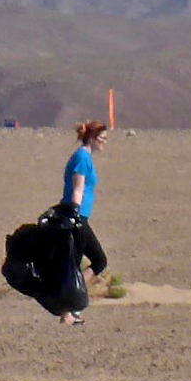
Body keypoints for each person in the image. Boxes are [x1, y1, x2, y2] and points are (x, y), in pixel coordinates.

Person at [57, 119, 109, 325]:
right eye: (103, 139)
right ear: (93, 138)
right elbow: (77, 188)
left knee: (79, 264)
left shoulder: (85, 157)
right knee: (97, 261)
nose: (105, 143)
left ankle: (68, 309)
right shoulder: (82, 158)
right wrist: (74, 214)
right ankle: (69, 307)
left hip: (78, 217)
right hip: (76, 217)